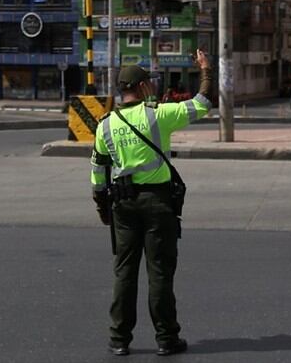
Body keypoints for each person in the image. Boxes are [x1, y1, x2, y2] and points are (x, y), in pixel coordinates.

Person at [90, 50, 213, 357]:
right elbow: (203, 103)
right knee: (159, 272)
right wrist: (206, 70)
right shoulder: (158, 115)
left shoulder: (105, 125)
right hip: (158, 204)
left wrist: (103, 209)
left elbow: (97, 174)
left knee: (124, 272)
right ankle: (166, 339)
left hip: (123, 205)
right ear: (143, 87)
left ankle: (119, 339)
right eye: (150, 83)